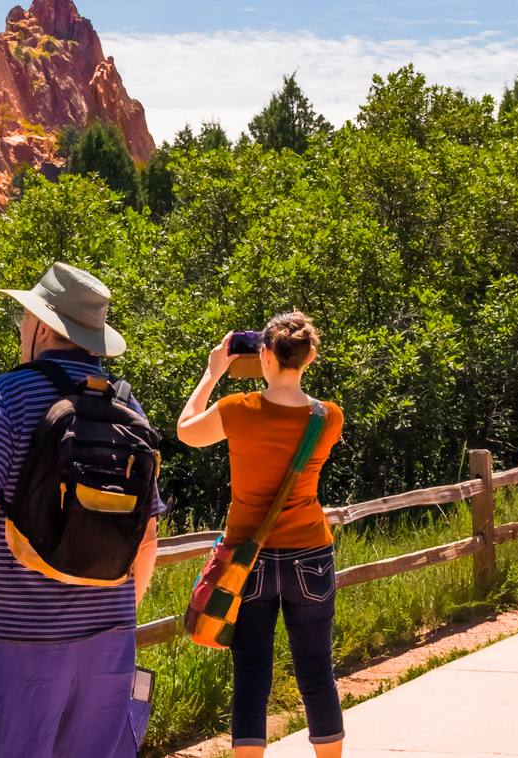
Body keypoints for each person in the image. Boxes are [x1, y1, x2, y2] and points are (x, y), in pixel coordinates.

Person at [0, 261, 165, 758]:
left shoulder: (7, 395)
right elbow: (147, 539)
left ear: (43, 328)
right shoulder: (128, 406)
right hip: (109, 643)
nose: (21, 326)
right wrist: (116, 613)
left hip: (19, 642)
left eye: (25, 317)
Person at [176, 311, 347, 758]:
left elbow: (185, 431)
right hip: (310, 553)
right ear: (309, 357)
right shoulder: (328, 417)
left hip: (246, 562)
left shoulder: (238, 410)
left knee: (252, 674)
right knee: (315, 671)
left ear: (263, 355)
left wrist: (213, 373)